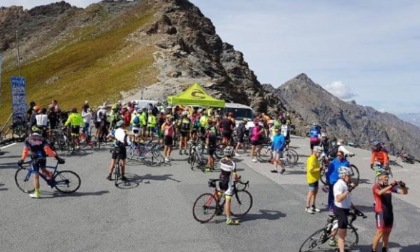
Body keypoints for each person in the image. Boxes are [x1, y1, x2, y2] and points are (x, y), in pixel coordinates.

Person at [18, 126, 64, 199]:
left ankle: (37, 193)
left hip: (35, 159)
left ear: (31, 132)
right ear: (39, 132)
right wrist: (57, 157)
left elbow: (25, 151)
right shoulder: (42, 139)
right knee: (43, 169)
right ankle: (50, 177)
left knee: (36, 177)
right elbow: (48, 150)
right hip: (43, 158)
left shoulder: (27, 139)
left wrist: (22, 160)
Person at [371, 170, 408, 252]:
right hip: (380, 212)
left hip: (389, 212)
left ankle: (384, 249)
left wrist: (403, 186)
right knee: (379, 233)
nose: (387, 178)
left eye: (388, 176)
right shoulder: (376, 186)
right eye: (385, 176)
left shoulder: (389, 186)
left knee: (387, 232)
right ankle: (373, 250)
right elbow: (380, 193)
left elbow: (404, 192)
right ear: (380, 177)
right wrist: (392, 184)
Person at [329, 166, 358, 251]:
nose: (350, 178)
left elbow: (347, 197)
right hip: (340, 210)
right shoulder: (339, 184)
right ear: (343, 175)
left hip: (345, 209)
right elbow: (338, 198)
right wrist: (349, 190)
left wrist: (353, 207)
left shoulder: (345, 184)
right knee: (342, 234)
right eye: (348, 176)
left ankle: (332, 237)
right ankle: (341, 250)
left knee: (340, 228)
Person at [218, 146, 240, 225]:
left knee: (220, 192)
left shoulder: (221, 160)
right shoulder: (233, 164)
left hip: (221, 180)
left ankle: (218, 207)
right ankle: (228, 219)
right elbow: (234, 176)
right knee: (228, 200)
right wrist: (238, 180)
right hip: (227, 183)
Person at [305, 146, 323, 214]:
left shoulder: (316, 158)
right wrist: (319, 169)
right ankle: (307, 207)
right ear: (315, 152)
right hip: (311, 179)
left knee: (315, 192)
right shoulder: (311, 159)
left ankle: (313, 206)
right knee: (311, 192)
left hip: (316, 178)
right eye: (319, 153)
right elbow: (310, 170)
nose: (320, 154)